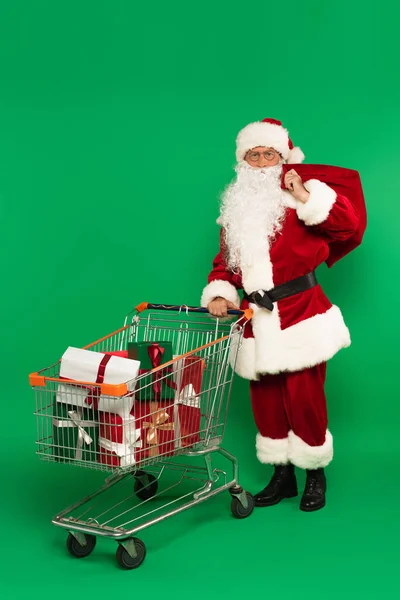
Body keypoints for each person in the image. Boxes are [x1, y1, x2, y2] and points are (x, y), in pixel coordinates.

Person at [200, 118, 360, 511]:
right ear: (242, 162)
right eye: (252, 155)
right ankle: (282, 475)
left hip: (301, 312)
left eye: (267, 153)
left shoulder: (307, 196)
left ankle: (314, 474)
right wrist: (220, 293)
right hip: (256, 317)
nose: (259, 162)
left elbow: (347, 226)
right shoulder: (236, 210)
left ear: (283, 156)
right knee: (267, 401)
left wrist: (306, 196)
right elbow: (225, 263)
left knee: (305, 398)